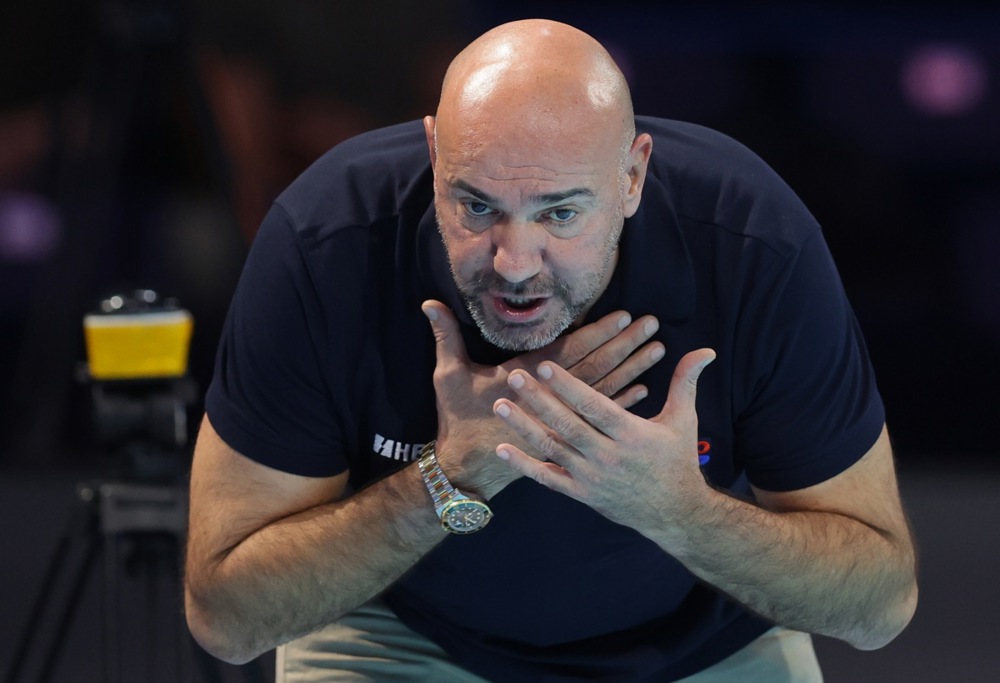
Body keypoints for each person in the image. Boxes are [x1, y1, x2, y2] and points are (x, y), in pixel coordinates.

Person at [184, 18, 918, 683]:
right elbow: (225, 616)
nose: (513, 262)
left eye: (560, 212)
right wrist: (451, 477)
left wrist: (675, 511)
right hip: (401, 632)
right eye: (475, 205)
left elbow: (879, 603)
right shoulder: (324, 242)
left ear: (631, 178)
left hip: (705, 643)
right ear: (435, 153)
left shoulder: (754, 240)